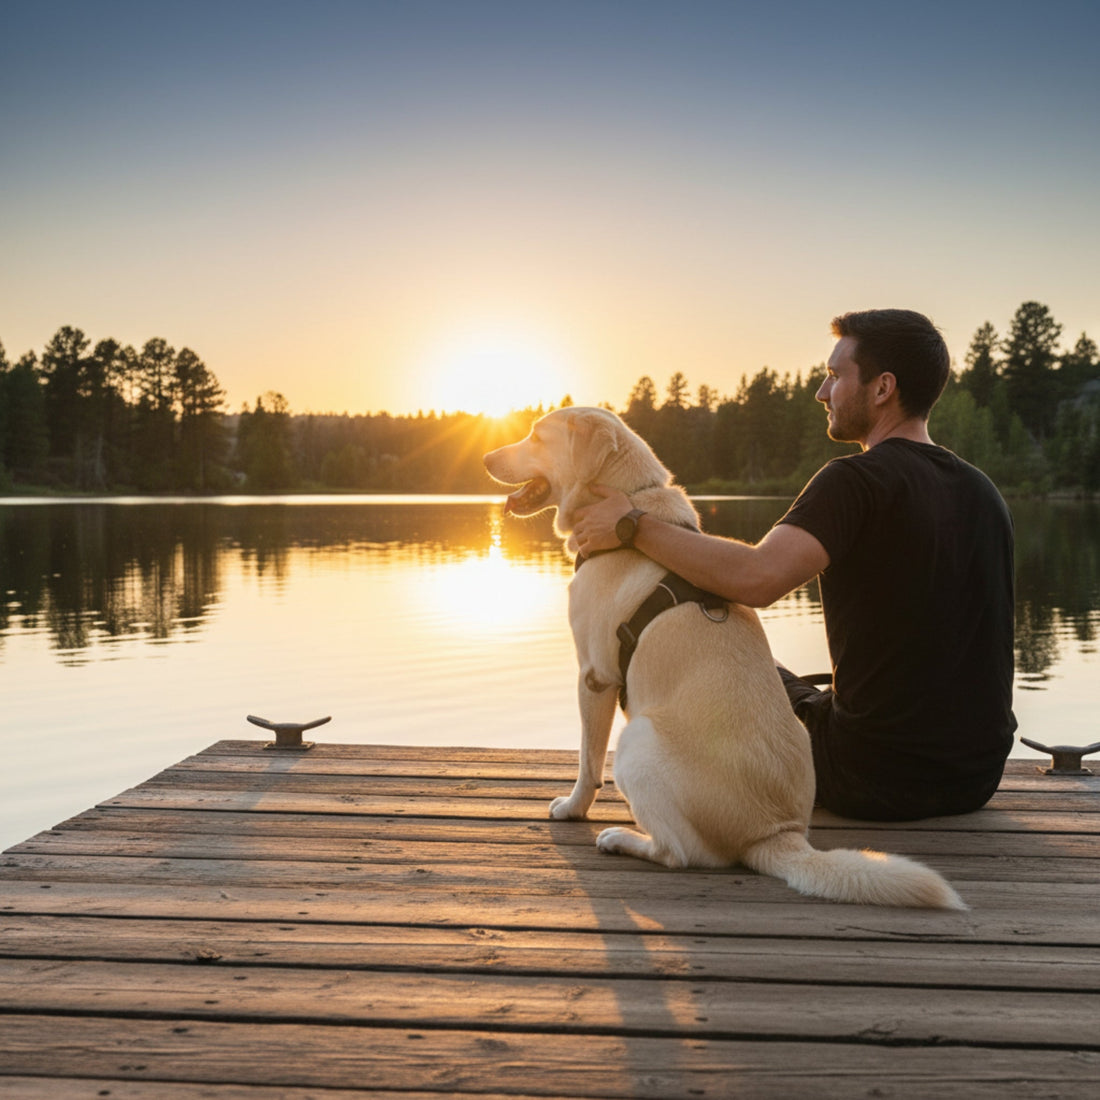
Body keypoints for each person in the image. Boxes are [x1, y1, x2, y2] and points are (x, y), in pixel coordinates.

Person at [573, 309, 1016, 821]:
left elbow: (755, 579)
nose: (821, 393)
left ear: (882, 388)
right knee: (778, 678)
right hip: (976, 777)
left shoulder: (855, 482)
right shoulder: (984, 493)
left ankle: (678, 801)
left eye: (834, 376)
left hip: (870, 777)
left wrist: (632, 524)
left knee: (724, 669)